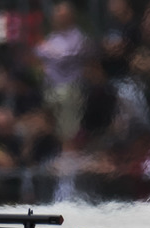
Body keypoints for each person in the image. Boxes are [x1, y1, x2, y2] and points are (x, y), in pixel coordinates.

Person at [34, 1, 91, 142]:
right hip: (50, 87)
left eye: (61, 14)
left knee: (68, 127)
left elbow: (64, 57)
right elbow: (37, 52)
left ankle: (70, 148)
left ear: (70, 17)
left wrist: (48, 51)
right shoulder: (53, 37)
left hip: (70, 88)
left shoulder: (78, 37)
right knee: (48, 125)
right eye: (56, 14)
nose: (56, 17)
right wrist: (48, 51)